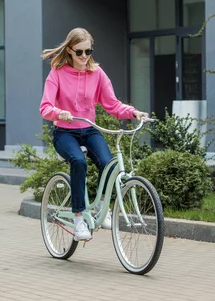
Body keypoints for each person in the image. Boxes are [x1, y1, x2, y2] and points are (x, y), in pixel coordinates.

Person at [39, 28, 149, 241]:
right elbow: (45, 107)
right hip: (65, 132)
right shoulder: (57, 74)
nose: (84, 57)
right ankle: (79, 218)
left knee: (108, 164)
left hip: (88, 129)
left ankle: (101, 208)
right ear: (70, 50)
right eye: (79, 52)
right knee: (78, 161)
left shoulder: (97, 73)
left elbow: (112, 104)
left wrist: (133, 112)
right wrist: (58, 112)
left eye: (88, 51)